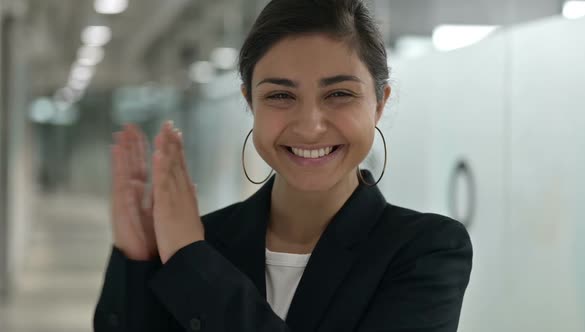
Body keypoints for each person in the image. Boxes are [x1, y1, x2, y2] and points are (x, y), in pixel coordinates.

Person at [93, 0, 473, 331]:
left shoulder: (425, 251)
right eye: (280, 95)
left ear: (379, 103)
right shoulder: (202, 242)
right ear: (250, 103)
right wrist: (137, 262)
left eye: (339, 94)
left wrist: (193, 265)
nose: (310, 126)